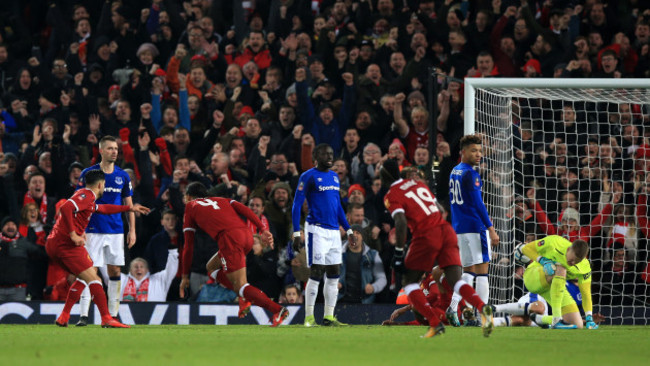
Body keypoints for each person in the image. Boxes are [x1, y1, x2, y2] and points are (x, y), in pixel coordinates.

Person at [381, 159, 494, 338]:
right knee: (457, 280)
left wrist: (398, 253)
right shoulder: (418, 184)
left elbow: (401, 222)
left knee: (409, 282)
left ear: (384, 175)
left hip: (426, 234)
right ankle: (483, 307)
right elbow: (441, 209)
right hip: (446, 230)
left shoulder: (391, 195)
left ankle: (435, 324)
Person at [46, 169, 150, 328]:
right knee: (95, 280)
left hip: (55, 244)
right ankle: (107, 318)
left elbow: (103, 209)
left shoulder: (86, 197)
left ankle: (64, 316)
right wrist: (74, 234)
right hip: (66, 244)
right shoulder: (86, 195)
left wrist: (128, 208)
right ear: (101, 185)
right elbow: (66, 207)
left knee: (87, 277)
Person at [179, 182, 288, 327]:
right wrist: (262, 228)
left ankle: (277, 310)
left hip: (230, 239)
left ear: (188, 196)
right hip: (246, 235)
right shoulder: (220, 199)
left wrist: (185, 276)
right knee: (212, 268)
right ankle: (243, 296)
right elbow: (244, 209)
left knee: (241, 285)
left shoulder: (190, 206)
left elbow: (188, 246)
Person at [291, 143, 356, 327]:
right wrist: (297, 233)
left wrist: (348, 229)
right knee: (317, 271)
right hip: (316, 229)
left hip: (334, 231)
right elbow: (296, 205)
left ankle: (329, 317)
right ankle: (309, 318)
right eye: (325, 154)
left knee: (334, 273)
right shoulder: (308, 176)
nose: (330, 157)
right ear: (316, 157)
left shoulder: (335, 177)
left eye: (331, 153)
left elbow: (337, 208)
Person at [76, 135, 136, 326]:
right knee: (89, 271)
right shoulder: (88, 173)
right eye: (110, 148)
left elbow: (129, 205)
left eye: (116, 149)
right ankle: (84, 315)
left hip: (116, 230)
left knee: (115, 269)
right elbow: (78, 201)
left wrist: (132, 230)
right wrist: (80, 228)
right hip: (92, 229)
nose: (114, 152)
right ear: (101, 151)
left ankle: (112, 315)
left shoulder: (122, 176)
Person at [447, 135, 500, 325]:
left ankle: (455, 308)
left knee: (468, 271)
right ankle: (483, 315)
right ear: (463, 152)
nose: (478, 154)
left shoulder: (455, 171)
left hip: (460, 227)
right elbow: (478, 204)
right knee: (483, 270)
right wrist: (491, 229)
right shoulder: (471, 174)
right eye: (473, 150)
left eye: (480, 150)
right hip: (475, 227)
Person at [520, 235, 598, 330]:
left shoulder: (584, 268)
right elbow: (526, 248)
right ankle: (556, 320)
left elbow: (586, 294)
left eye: (576, 262)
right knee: (561, 268)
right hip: (533, 276)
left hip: (554, 287)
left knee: (577, 324)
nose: (573, 263)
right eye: (572, 259)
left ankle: (541, 319)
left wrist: (589, 317)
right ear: (569, 249)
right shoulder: (555, 242)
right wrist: (543, 260)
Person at [338, 224, 387, 304]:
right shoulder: (337, 253)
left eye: (357, 233)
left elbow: (382, 278)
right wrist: (333, 283)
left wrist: (373, 287)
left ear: (362, 237)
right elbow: (327, 274)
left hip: (365, 303)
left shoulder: (373, 255)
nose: (354, 235)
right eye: (351, 233)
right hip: (340, 300)